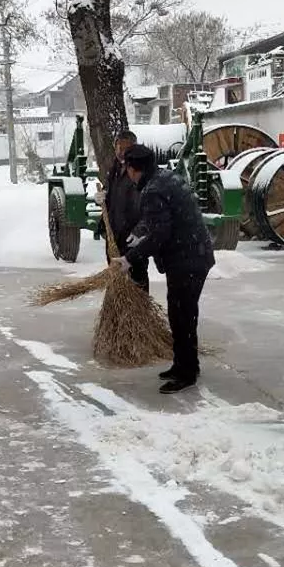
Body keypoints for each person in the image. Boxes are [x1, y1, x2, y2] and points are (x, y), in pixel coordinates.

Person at [113, 144, 216, 394]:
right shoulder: (164, 178)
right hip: (192, 255)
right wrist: (138, 234)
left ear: (133, 169)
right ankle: (184, 364)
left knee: (181, 316)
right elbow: (156, 220)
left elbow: (160, 233)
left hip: (187, 259)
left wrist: (129, 258)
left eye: (126, 168)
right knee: (183, 314)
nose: (126, 173)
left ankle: (186, 373)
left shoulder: (153, 190)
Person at [98, 130, 149, 292]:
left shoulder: (140, 171)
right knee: (116, 281)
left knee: (137, 280)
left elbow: (150, 207)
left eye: (125, 149)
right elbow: (111, 192)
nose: (121, 153)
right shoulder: (115, 167)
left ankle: (141, 313)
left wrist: (139, 232)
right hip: (115, 236)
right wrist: (102, 196)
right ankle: (119, 313)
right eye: (118, 148)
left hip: (132, 238)